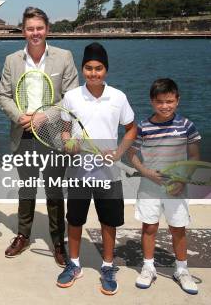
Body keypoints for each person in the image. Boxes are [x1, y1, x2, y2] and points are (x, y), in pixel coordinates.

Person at [0, 7, 78, 266]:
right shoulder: (12, 60)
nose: (35, 33)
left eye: (39, 28)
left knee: (54, 190)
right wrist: (18, 116)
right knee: (27, 187)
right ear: (23, 31)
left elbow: (71, 96)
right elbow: (3, 96)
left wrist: (45, 116)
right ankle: (23, 235)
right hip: (23, 133)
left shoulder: (64, 57)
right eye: (30, 28)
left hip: (52, 134)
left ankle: (57, 242)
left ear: (47, 30)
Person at [55, 42, 137, 295]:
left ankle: (108, 266)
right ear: (82, 70)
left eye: (98, 68)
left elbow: (131, 128)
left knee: (108, 221)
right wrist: (68, 142)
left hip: (109, 173)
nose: (93, 73)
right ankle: (75, 264)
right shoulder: (71, 97)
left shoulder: (119, 97)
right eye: (89, 68)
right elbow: (65, 129)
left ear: (106, 70)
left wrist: (118, 153)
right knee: (75, 219)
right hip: (79, 171)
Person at [128, 78, 200, 295]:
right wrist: (146, 172)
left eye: (169, 101)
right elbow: (132, 154)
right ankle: (148, 267)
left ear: (177, 100)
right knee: (149, 227)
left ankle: (182, 270)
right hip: (149, 187)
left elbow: (195, 156)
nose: (165, 106)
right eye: (160, 102)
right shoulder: (143, 127)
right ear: (152, 102)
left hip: (177, 188)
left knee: (178, 228)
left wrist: (182, 180)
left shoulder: (187, 125)